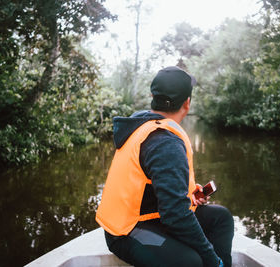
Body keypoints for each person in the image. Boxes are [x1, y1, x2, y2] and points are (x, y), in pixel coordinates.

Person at [96, 66, 234, 267]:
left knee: (220, 218)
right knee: (190, 262)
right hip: (127, 230)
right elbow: (175, 216)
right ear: (187, 103)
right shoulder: (164, 142)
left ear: (153, 97)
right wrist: (213, 261)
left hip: (152, 215)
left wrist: (190, 196)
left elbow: (159, 190)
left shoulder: (143, 125)